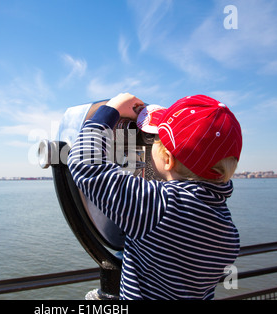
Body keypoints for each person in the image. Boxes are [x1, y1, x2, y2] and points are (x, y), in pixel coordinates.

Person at [67, 93, 242, 300]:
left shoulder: (159, 207)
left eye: (155, 140)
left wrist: (110, 110)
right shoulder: (228, 231)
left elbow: (86, 165)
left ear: (167, 159)